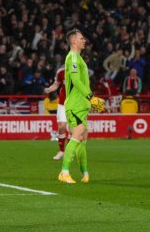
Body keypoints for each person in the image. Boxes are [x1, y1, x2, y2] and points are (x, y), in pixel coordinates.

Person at [58, 29, 105, 184]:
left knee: (82, 139)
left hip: (81, 105)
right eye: (81, 38)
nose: (84, 40)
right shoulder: (72, 57)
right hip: (75, 104)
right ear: (73, 41)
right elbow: (76, 81)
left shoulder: (78, 58)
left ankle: (84, 173)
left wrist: (88, 101)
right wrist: (91, 97)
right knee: (77, 134)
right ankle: (64, 172)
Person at [44, 65, 67, 160]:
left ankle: (69, 152)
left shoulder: (80, 70)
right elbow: (56, 84)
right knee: (61, 126)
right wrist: (50, 89)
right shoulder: (61, 72)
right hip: (62, 103)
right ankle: (61, 151)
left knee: (73, 130)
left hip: (75, 103)